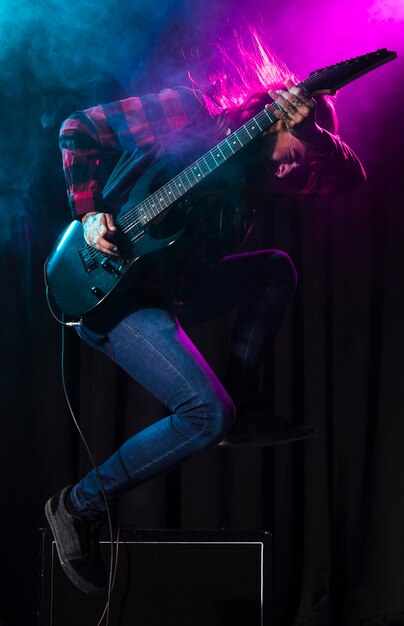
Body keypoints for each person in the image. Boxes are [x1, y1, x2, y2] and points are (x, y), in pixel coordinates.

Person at [45, 70, 365, 595]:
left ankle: (246, 403)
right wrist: (89, 214)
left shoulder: (265, 170)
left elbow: (349, 179)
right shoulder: (192, 111)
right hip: (110, 297)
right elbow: (78, 127)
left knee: (274, 268)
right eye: (293, 154)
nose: (290, 172)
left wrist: (310, 134)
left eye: (299, 165)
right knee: (205, 414)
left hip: (171, 292)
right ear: (276, 120)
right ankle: (77, 506)